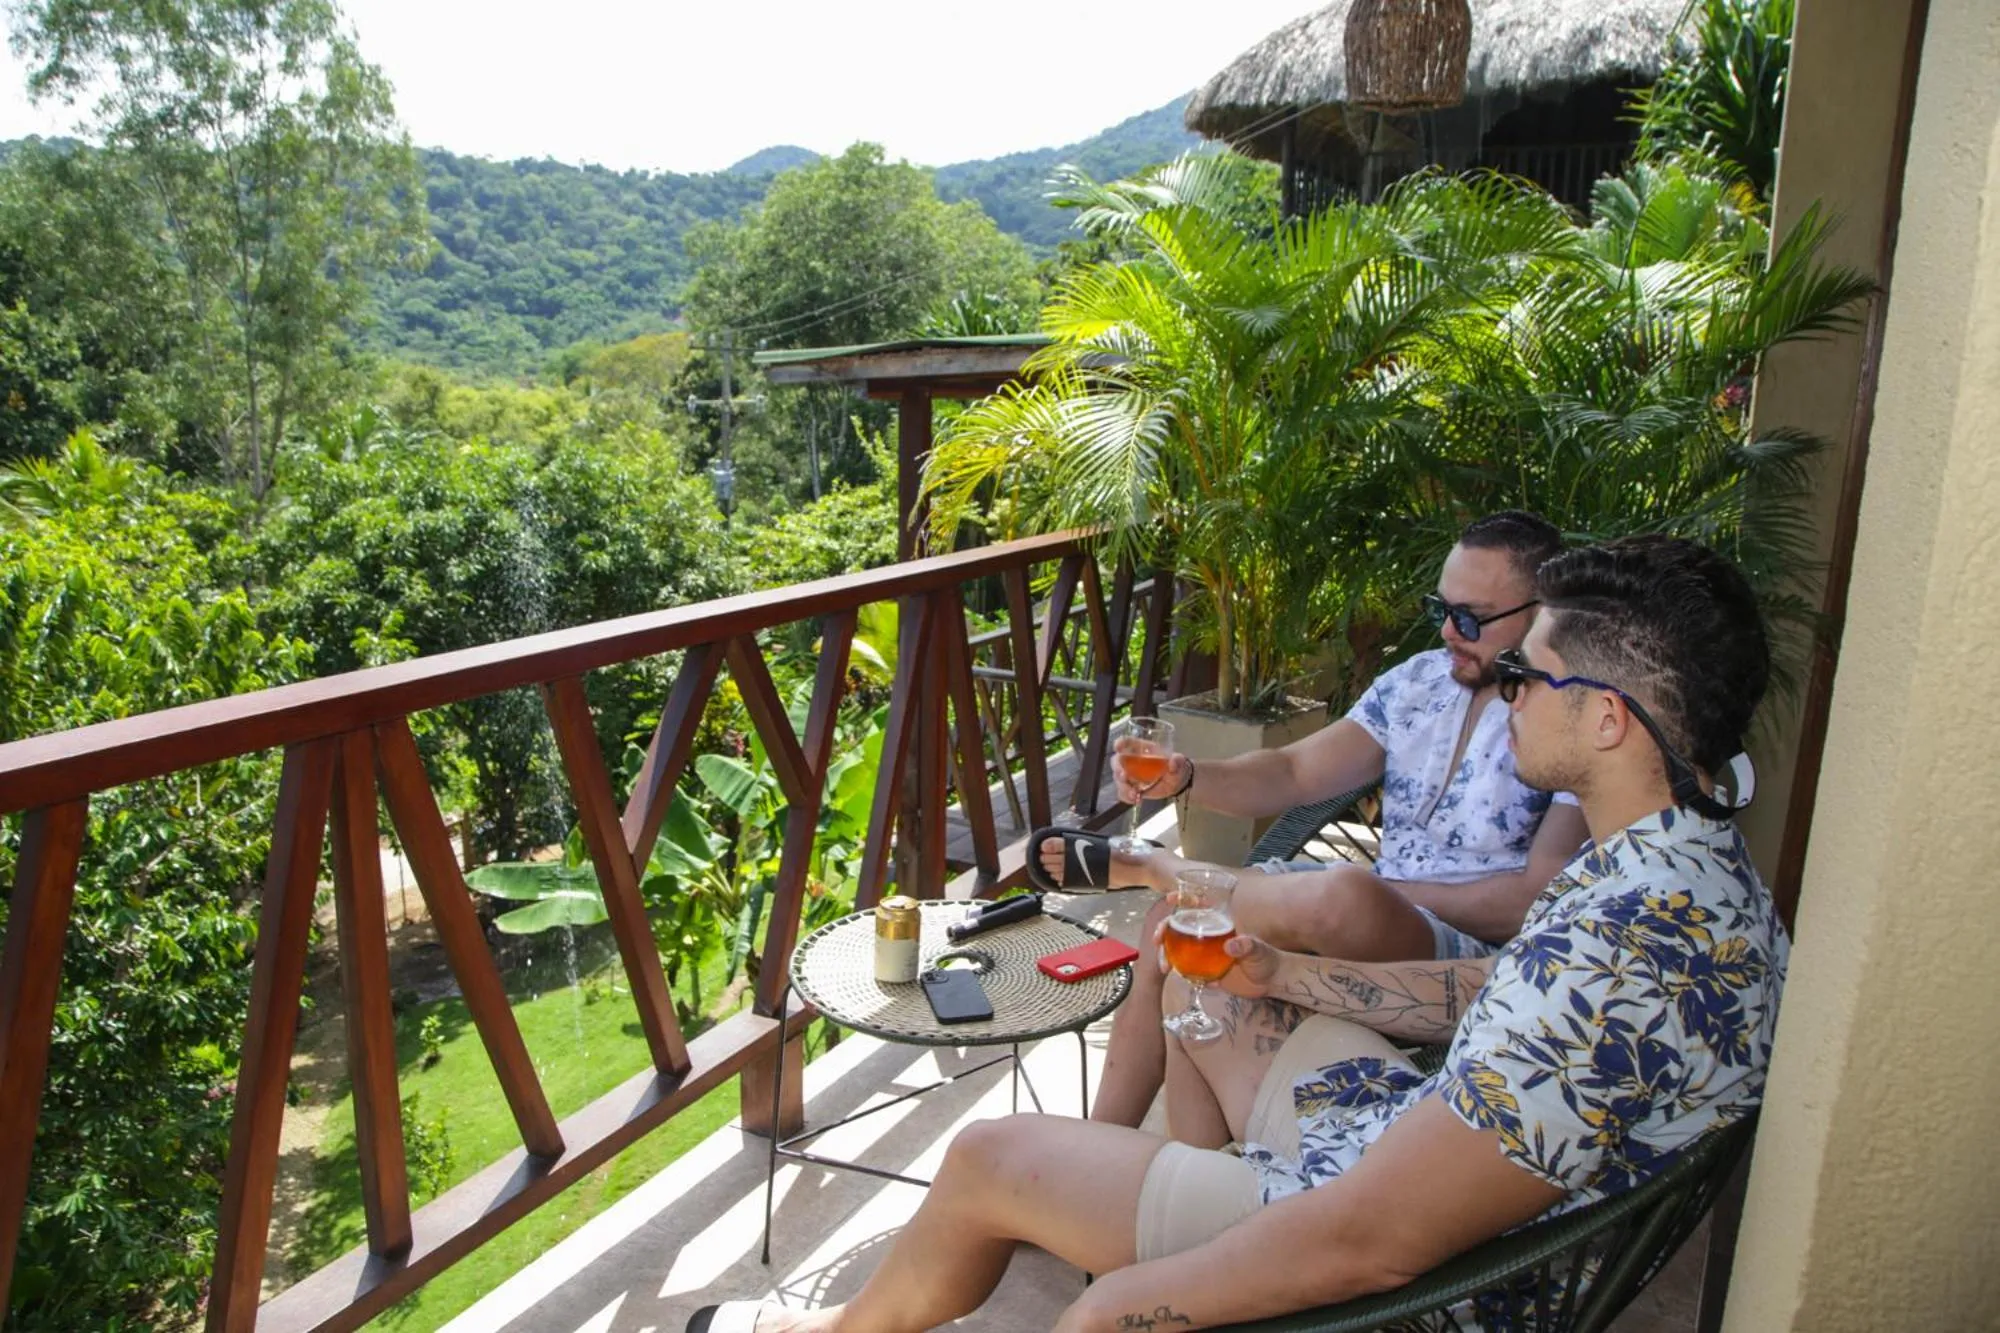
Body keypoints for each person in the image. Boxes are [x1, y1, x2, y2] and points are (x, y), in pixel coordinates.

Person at [688, 534, 1788, 1333]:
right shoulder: (1678, 869)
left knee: (985, 1156)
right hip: (1438, 1145)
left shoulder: (1617, 945)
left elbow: (1375, 1242)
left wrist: (1135, 1305)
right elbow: (1491, 997)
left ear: (1604, 717)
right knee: (1202, 969)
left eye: (1527, 676)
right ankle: (1134, 1180)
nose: (1505, 697)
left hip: (1422, 1259)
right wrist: (1294, 977)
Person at [1038, 510, 1590, 1126]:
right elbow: (1295, 773)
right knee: (1176, 930)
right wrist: (1189, 775)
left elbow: (1530, 902)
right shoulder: (1419, 683)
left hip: (1465, 954)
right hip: (1366, 916)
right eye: (1440, 609)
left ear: (1541, 611)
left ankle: (1159, 867)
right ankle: (1109, 1143)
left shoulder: (1566, 720)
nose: (1447, 633)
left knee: (1341, 892)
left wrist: (1384, 892)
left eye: (1468, 618)